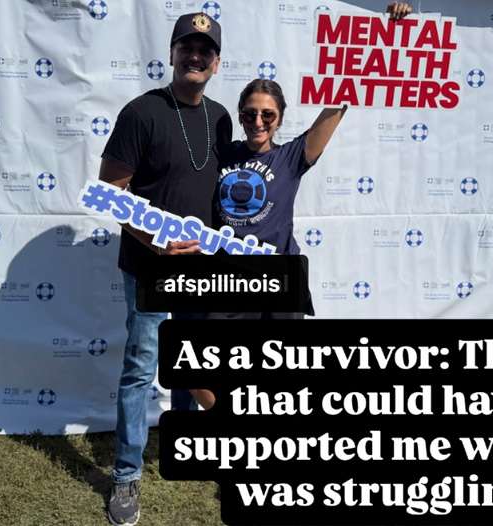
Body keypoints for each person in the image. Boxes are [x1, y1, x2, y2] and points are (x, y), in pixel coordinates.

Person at [189, 2, 412, 411]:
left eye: (267, 114)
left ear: (280, 118)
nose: (258, 121)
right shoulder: (223, 154)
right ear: (240, 116)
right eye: (250, 113)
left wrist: (385, 30)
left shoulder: (291, 157)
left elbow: (340, 101)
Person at [97, 11, 232, 526]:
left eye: (205, 50)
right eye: (186, 47)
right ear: (172, 54)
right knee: (140, 368)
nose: (195, 56)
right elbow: (110, 193)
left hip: (201, 270)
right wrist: (153, 241)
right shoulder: (142, 112)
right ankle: (126, 474)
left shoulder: (222, 118)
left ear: (216, 63)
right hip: (148, 268)